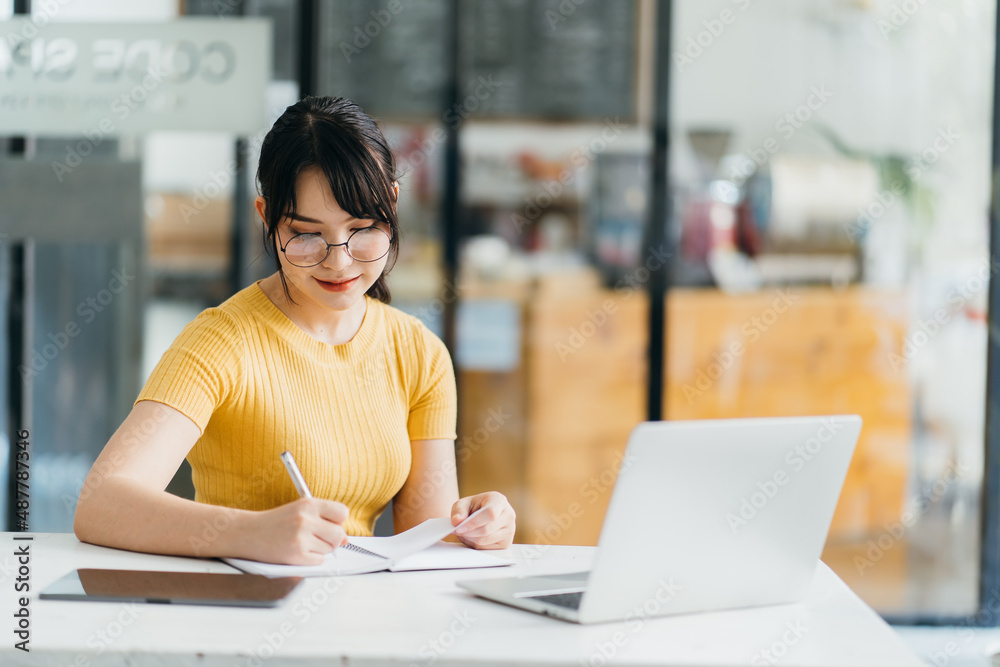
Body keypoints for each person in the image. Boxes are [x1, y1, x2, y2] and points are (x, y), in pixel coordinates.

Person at [73, 96, 516, 565]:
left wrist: (474, 527)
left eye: (362, 227)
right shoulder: (221, 341)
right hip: (239, 614)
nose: (339, 260)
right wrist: (250, 534)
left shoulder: (420, 353)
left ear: (392, 204)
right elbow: (101, 506)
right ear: (267, 217)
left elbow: (425, 542)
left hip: (358, 620)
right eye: (305, 234)